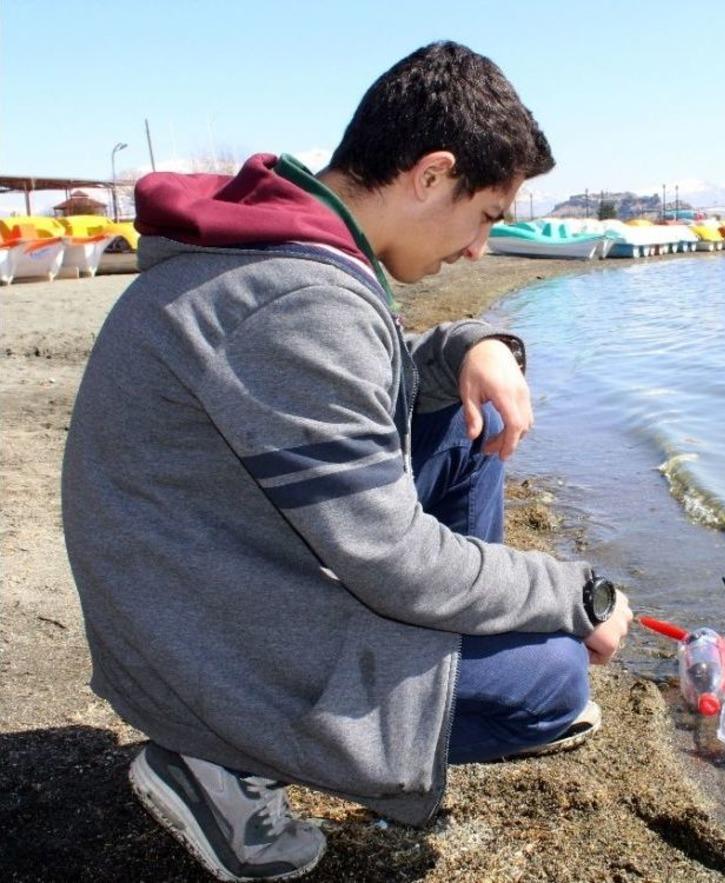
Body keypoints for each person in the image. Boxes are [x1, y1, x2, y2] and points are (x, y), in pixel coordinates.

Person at [62, 41, 633, 881]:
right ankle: (221, 768)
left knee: (469, 428)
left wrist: (476, 344)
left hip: (199, 568)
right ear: (432, 175)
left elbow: (368, 373)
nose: (481, 249)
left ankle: (426, 667)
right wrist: (570, 593)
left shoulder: (288, 248)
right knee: (550, 683)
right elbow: (397, 563)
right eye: (486, 213)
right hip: (196, 648)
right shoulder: (297, 299)